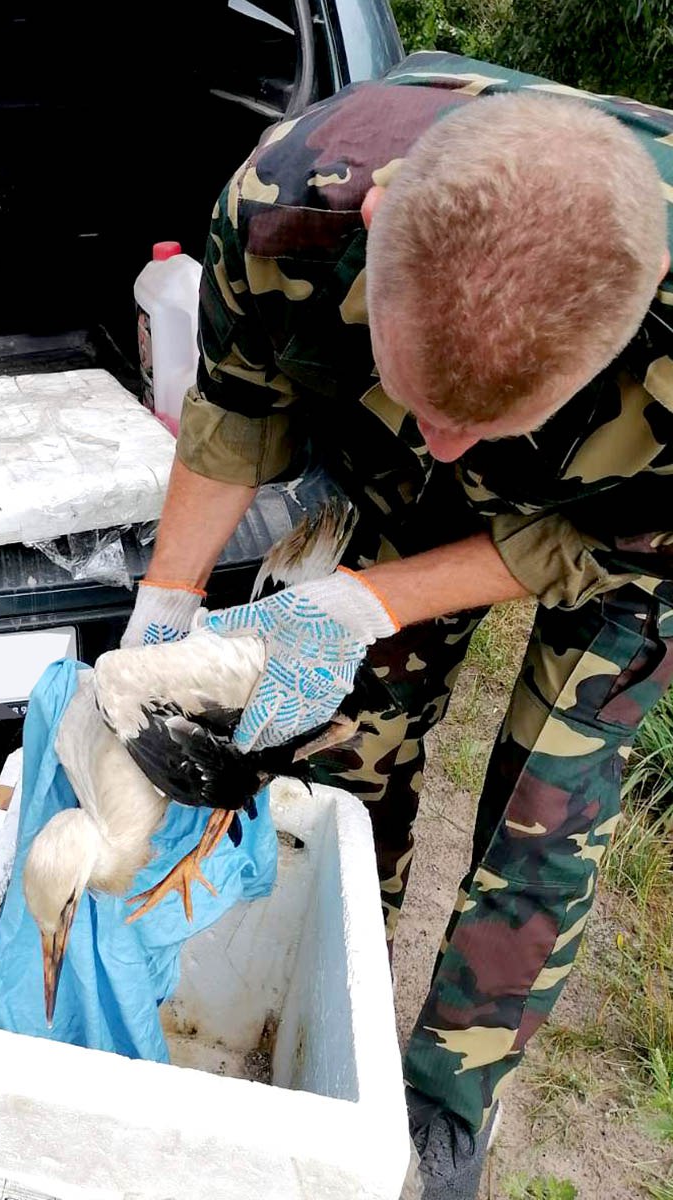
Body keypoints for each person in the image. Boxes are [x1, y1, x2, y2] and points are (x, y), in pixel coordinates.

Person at [120, 51, 673, 1200]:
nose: (456, 452)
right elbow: (237, 403)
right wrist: (161, 620)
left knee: (548, 816)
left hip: (626, 526)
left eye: (484, 426)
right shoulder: (283, 208)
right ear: (376, 219)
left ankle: (442, 1112)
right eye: (432, 405)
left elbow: (622, 549)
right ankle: (334, 1016)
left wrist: (377, 596)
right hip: (384, 468)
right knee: (340, 744)